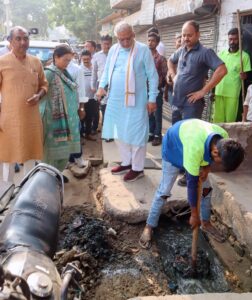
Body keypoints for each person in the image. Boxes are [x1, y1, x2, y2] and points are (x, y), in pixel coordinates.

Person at [139, 119, 245, 249]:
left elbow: (210, 158)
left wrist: (207, 168)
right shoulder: (195, 149)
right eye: (219, 162)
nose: (218, 165)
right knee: (164, 190)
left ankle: (205, 223)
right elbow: (192, 186)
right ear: (215, 152)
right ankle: (149, 225)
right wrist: (194, 215)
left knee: (206, 190)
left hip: (194, 144)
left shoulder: (224, 139)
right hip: (173, 148)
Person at [96, 21, 159, 182]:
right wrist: (101, 86)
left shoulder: (143, 50)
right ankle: (126, 162)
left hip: (137, 100)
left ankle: (137, 169)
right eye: (121, 39)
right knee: (119, 132)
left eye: (127, 39)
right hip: (115, 99)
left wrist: (152, 99)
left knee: (136, 133)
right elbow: (107, 71)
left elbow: (153, 76)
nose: (124, 43)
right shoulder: (113, 50)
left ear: (133, 35)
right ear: (116, 38)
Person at [168, 20, 227, 186]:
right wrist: (172, 75)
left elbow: (222, 69)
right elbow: (169, 61)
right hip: (177, 101)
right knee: (178, 136)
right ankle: (182, 165)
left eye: (189, 35)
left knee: (191, 139)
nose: (186, 38)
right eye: (184, 35)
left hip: (192, 105)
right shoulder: (181, 50)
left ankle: (190, 174)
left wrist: (203, 91)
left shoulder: (205, 52)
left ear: (198, 35)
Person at [0, 26, 48, 182]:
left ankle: (27, 193)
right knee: (8, 158)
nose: (22, 42)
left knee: (31, 157)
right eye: (18, 39)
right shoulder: (2, 62)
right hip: (9, 120)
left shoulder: (36, 62)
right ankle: (6, 196)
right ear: (10, 41)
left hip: (31, 119)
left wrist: (39, 95)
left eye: (26, 38)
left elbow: (44, 85)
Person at [40, 44, 81, 183]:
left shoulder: (64, 72)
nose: (67, 63)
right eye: (65, 60)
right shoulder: (49, 73)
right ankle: (47, 178)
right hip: (54, 121)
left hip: (69, 119)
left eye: (69, 60)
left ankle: (57, 173)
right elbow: (41, 95)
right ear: (56, 57)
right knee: (52, 152)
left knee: (65, 150)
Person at [213, 28, 251, 123]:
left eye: (235, 39)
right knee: (217, 121)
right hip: (219, 92)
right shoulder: (221, 54)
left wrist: (244, 77)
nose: (232, 42)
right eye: (230, 39)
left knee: (229, 121)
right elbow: (215, 73)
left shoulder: (244, 56)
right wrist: (212, 90)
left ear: (239, 40)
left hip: (232, 94)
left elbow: (247, 77)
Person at [67, 53, 88, 168]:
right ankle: (69, 159)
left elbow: (81, 90)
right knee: (63, 135)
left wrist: (81, 107)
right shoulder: (54, 68)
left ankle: (78, 157)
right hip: (58, 108)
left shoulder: (76, 69)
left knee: (75, 133)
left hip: (73, 107)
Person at [147, 31, 168, 146]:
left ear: (157, 43)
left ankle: (157, 135)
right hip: (146, 90)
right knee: (149, 112)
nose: (150, 43)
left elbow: (165, 75)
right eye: (149, 40)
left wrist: (163, 90)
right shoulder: (145, 57)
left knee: (157, 113)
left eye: (153, 41)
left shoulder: (161, 59)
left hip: (157, 90)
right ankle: (150, 133)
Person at [91, 35, 112, 126]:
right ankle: (104, 127)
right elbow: (94, 71)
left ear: (111, 43)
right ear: (101, 44)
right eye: (104, 44)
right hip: (102, 85)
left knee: (111, 106)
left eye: (108, 44)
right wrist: (93, 85)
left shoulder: (115, 54)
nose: (106, 46)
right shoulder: (96, 56)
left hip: (113, 84)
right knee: (103, 106)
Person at [80, 50, 97, 141]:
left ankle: (88, 134)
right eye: (84, 59)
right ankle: (81, 134)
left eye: (87, 59)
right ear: (81, 58)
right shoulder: (79, 69)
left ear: (91, 58)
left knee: (90, 116)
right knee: (81, 116)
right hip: (82, 97)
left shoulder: (94, 68)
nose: (86, 60)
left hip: (92, 97)